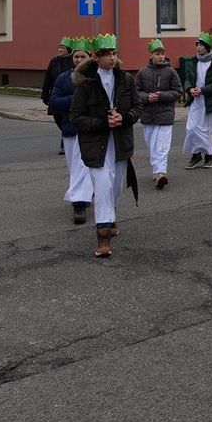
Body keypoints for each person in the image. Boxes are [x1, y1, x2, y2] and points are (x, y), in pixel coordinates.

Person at [69, 34, 141, 258]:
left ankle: (111, 216)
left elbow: (137, 108)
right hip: (96, 144)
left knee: (116, 186)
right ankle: (103, 236)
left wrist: (125, 118)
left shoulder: (126, 80)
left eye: (114, 53)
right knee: (101, 186)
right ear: (96, 57)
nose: (112, 58)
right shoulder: (87, 83)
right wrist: (102, 123)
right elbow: (76, 116)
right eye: (107, 54)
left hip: (119, 143)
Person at [47, 36, 94, 224]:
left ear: (89, 58)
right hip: (70, 128)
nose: (79, 60)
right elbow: (53, 102)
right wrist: (73, 100)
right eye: (76, 57)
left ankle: (79, 203)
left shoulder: (95, 77)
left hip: (91, 128)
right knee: (74, 166)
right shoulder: (63, 78)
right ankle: (82, 195)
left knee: (85, 164)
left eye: (83, 57)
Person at [134, 39, 181, 190]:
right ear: (151, 55)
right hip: (148, 115)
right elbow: (136, 92)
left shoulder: (171, 72)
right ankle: (157, 171)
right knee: (152, 146)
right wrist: (147, 97)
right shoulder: (142, 72)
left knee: (162, 146)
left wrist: (161, 96)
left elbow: (177, 91)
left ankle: (161, 172)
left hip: (165, 115)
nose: (160, 56)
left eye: (162, 53)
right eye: (157, 53)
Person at [180, 32, 212, 169]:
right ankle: (196, 155)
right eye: (197, 45)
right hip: (196, 101)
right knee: (192, 128)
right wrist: (189, 89)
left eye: (200, 45)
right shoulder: (194, 62)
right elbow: (187, 78)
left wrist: (203, 90)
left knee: (210, 129)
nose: (198, 47)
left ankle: (209, 157)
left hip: (210, 102)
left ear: (207, 47)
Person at [42, 36, 75, 155]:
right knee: (58, 119)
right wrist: (45, 94)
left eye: (63, 48)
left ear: (69, 50)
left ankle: (64, 142)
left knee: (66, 119)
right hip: (56, 95)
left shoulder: (72, 61)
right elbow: (48, 78)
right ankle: (65, 136)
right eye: (59, 47)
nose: (60, 50)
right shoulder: (54, 61)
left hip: (67, 95)